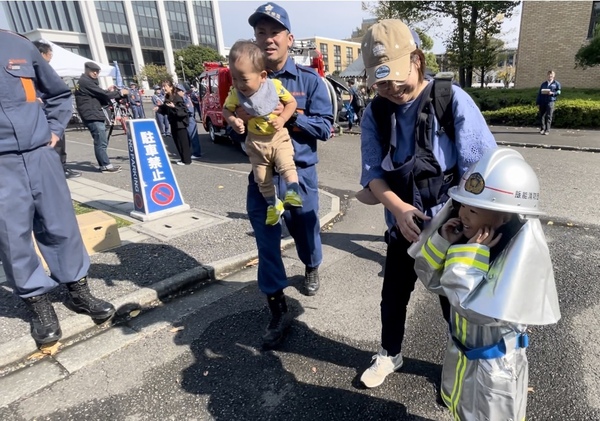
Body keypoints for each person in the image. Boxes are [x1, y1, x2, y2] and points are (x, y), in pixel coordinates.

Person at [356, 19, 497, 388]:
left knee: (455, 303)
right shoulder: (376, 112)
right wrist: (399, 208)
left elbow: (481, 172)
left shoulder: (450, 100)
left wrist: (476, 228)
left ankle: (459, 365)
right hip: (404, 224)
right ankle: (390, 353)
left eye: (394, 78)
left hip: (455, 226)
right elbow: (372, 173)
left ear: (417, 60)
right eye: (380, 82)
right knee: (394, 295)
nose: (389, 88)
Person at [414, 148, 561, 420]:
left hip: (495, 370)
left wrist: (468, 255)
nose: (464, 215)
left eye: (475, 210)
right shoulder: (470, 245)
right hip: (461, 356)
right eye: (462, 206)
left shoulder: (518, 261)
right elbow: (433, 283)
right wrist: (443, 242)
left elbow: (472, 308)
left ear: (504, 216)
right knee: (459, 409)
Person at [0, 29, 116, 345]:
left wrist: (53, 129)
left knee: (60, 223)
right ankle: (37, 301)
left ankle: (78, 290)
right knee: (13, 235)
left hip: (40, 153)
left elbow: (59, 93)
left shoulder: (18, 45)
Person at [245, 2, 333, 348]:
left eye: (274, 32)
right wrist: (240, 125)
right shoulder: (247, 79)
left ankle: (311, 264)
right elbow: (236, 121)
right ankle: (278, 309)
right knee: (266, 243)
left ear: (289, 39)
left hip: (300, 174)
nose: (268, 39)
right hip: (262, 175)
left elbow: (326, 128)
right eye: (261, 33)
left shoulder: (309, 81)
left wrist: (291, 117)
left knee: (305, 231)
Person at [223, 40, 301, 226]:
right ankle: (273, 205)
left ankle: (292, 192)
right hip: (256, 143)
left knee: (286, 164)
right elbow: (226, 110)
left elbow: (292, 103)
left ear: (262, 75)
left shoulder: (273, 86)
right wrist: (234, 120)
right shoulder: (236, 93)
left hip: (277, 137)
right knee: (261, 178)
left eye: (244, 78)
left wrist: (282, 119)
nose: (239, 84)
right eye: (234, 78)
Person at [32, 39, 82, 179]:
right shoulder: (29, 70)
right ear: (41, 54)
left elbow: (59, 94)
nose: (51, 57)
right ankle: (56, 170)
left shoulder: (44, 71)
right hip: (38, 117)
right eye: (49, 54)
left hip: (51, 116)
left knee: (58, 142)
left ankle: (61, 168)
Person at [74, 61, 128, 173]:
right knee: (101, 141)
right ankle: (105, 165)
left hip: (92, 113)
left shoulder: (86, 82)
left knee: (101, 140)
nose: (96, 73)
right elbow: (103, 95)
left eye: (97, 72)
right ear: (87, 69)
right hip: (92, 115)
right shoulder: (85, 82)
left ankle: (104, 163)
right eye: (93, 71)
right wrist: (120, 93)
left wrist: (108, 92)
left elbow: (100, 95)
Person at [157, 80, 191, 165]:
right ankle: (182, 158)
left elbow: (183, 111)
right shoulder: (168, 96)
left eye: (165, 86)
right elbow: (165, 108)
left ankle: (186, 160)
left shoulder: (177, 97)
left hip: (180, 123)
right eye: (163, 86)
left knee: (183, 142)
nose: (163, 88)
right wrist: (159, 108)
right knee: (177, 141)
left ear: (171, 87)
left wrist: (174, 107)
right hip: (173, 122)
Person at [177, 84, 202, 160]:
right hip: (188, 119)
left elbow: (190, 110)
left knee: (193, 137)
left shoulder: (185, 98)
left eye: (178, 91)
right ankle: (193, 152)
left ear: (182, 91)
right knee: (188, 137)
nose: (177, 92)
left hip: (189, 119)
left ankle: (197, 153)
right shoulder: (184, 98)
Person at [536, 70, 561, 135]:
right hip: (542, 101)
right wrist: (538, 102)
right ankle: (542, 129)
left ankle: (547, 130)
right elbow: (539, 93)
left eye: (551, 75)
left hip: (550, 101)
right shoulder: (543, 84)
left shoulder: (556, 83)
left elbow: (559, 92)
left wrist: (552, 93)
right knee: (541, 116)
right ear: (547, 75)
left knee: (549, 116)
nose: (550, 76)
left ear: (554, 76)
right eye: (549, 75)